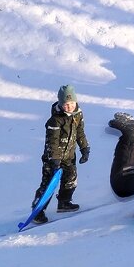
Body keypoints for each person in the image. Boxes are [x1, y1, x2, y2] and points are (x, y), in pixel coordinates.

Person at [29, 84, 90, 225]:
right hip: (53, 158)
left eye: (72, 103)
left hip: (69, 156)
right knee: (48, 185)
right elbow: (52, 142)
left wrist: (85, 148)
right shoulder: (55, 120)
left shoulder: (78, 115)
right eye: (65, 104)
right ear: (60, 103)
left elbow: (80, 133)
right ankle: (38, 211)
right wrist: (54, 159)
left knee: (71, 180)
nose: (69, 107)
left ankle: (64, 202)